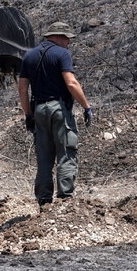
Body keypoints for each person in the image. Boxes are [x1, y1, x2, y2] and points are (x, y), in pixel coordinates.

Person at [17, 20, 94, 207]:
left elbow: (22, 89)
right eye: (67, 39)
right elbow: (71, 83)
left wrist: (28, 115)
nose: (68, 43)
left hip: (38, 110)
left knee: (44, 157)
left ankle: (44, 201)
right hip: (58, 109)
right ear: (59, 37)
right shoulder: (62, 54)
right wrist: (86, 107)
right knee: (66, 152)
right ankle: (65, 200)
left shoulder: (29, 56)